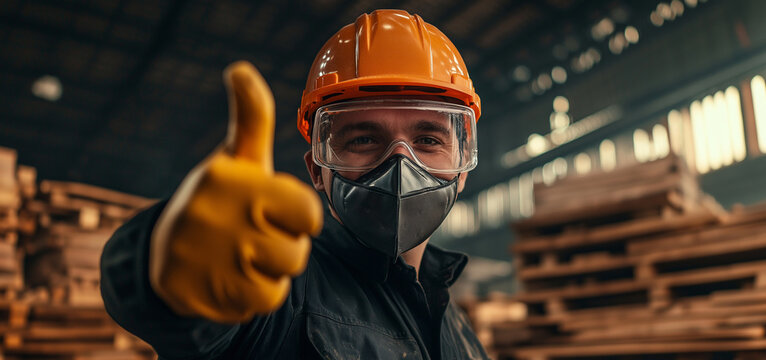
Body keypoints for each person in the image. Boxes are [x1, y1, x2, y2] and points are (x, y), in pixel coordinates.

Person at [100, 9, 489, 359]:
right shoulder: (275, 293)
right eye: (364, 140)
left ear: (463, 168)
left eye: (429, 140)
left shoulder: (454, 323)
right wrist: (153, 262)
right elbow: (190, 323)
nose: (401, 165)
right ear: (317, 170)